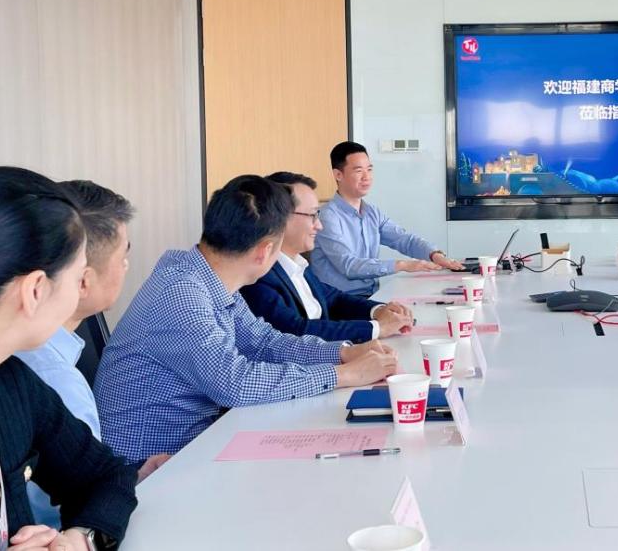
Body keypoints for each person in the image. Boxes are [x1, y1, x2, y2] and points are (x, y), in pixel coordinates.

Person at [94, 175, 398, 462]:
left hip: (199, 442)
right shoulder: (183, 294)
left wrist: (342, 353)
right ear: (265, 252)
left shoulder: (209, 277)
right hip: (151, 468)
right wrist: (344, 375)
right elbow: (235, 382)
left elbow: (264, 342)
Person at [0, 167, 137, 551]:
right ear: (35, 289)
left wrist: (80, 539)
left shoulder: (11, 383)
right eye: (76, 276)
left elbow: (107, 476)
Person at [15, 180, 167, 529]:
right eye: (123, 255)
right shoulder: (55, 379)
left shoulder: (43, 354)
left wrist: (129, 477)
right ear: (82, 281)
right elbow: (61, 511)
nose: (126, 266)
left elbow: (77, 477)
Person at [240, 172, 415, 342]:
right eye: (312, 215)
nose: (319, 225)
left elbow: (334, 299)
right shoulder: (258, 276)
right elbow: (295, 332)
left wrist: (378, 310)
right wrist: (377, 328)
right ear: (279, 218)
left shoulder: (298, 264)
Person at [312, 141, 464, 297]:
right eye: (358, 171)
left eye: (369, 169)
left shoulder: (371, 212)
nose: (366, 177)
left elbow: (404, 239)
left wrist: (435, 255)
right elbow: (349, 266)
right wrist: (403, 265)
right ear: (338, 175)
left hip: (369, 296)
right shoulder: (327, 217)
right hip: (338, 302)